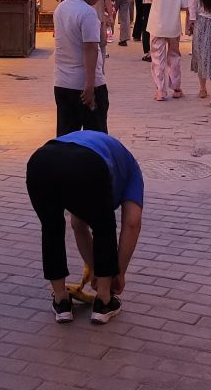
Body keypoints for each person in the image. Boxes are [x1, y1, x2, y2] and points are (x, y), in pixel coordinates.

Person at [25, 130, 143, 324]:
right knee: (103, 225)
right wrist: (118, 274)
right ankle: (104, 301)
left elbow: (78, 224)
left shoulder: (113, 156)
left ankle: (61, 301)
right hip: (87, 163)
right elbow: (132, 223)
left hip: (41, 161)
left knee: (51, 228)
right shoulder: (133, 172)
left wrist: (96, 269)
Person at [53, 0, 110, 135]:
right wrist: (90, 84)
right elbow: (90, 48)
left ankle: (65, 162)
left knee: (66, 137)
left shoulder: (61, 8)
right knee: (96, 138)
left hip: (63, 83)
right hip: (85, 86)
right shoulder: (87, 13)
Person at [145, 0, 189, 101]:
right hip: (173, 27)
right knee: (174, 57)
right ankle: (176, 87)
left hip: (156, 27)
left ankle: (160, 90)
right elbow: (184, 5)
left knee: (157, 59)